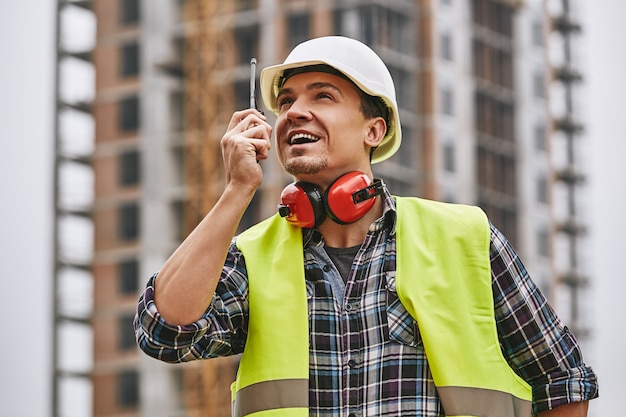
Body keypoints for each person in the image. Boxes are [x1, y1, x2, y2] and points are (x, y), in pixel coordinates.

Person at [134, 36, 598, 417]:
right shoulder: (253, 256)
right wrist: (236, 190)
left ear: (374, 131)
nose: (293, 112)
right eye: (286, 101)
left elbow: (562, 380)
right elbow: (164, 332)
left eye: (323, 96)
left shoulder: (465, 237)